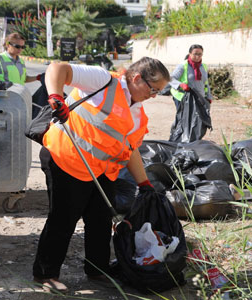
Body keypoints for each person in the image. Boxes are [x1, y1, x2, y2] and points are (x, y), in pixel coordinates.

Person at [33, 57, 170, 293]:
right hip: (66, 158)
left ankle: (97, 270)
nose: (154, 95)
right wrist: (55, 96)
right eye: (153, 89)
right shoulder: (103, 81)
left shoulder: (137, 112)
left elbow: (131, 149)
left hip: (100, 170)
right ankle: (46, 274)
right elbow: (57, 68)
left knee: (101, 221)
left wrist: (144, 183)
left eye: (158, 92)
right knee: (63, 219)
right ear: (137, 78)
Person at [169, 44, 212, 110]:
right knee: (184, 119)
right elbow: (170, 79)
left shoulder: (204, 67)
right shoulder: (183, 66)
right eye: (195, 54)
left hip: (199, 98)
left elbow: (206, 83)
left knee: (197, 119)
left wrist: (209, 97)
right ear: (190, 54)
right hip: (183, 97)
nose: (197, 56)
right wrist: (180, 85)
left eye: (200, 54)